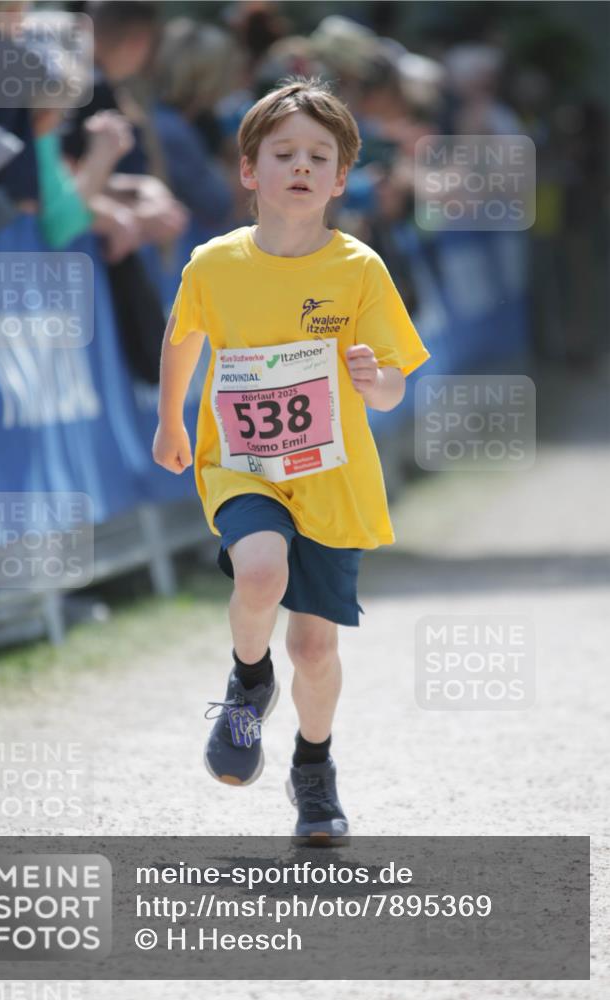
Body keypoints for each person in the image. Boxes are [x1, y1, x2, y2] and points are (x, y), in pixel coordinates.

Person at [152, 77, 430, 844]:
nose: (301, 167)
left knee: (313, 646)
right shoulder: (213, 264)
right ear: (250, 171)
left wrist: (380, 384)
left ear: (342, 178)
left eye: (320, 156)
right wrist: (170, 418)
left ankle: (314, 768)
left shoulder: (360, 269)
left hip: (331, 479)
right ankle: (247, 683)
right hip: (243, 466)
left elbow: (394, 386)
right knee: (260, 573)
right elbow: (184, 334)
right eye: (284, 154)